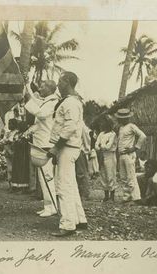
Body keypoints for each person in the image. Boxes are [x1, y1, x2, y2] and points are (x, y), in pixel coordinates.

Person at [48, 71, 87, 237]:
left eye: (60, 81)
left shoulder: (70, 102)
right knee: (71, 185)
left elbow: (70, 127)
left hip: (67, 147)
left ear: (68, 83)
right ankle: (79, 219)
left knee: (63, 186)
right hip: (69, 148)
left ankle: (68, 225)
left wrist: (57, 147)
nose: (58, 85)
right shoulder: (71, 101)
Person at [24, 80, 59, 217]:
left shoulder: (52, 102)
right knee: (43, 178)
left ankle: (53, 206)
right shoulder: (46, 101)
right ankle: (47, 205)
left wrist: (28, 98)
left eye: (43, 86)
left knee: (48, 177)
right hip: (41, 142)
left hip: (46, 143)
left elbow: (40, 113)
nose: (40, 88)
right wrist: (27, 88)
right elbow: (35, 101)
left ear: (50, 89)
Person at [115, 108, 146, 203]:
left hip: (129, 154)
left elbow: (143, 136)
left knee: (131, 176)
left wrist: (135, 148)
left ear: (127, 118)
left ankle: (136, 197)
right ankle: (126, 196)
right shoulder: (121, 128)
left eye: (122, 118)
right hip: (122, 154)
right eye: (119, 118)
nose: (120, 120)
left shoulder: (132, 126)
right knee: (123, 177)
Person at [95, 117, 117, 202]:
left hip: (110, 155)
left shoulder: (113, 134)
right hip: (102, 155)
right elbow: (96, 145)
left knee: (110, 174)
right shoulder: (101, 134)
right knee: (103, 174)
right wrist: (101, 146)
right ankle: (106, 195)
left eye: (104, 123)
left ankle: (112, 196)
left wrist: (101, 145)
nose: (102, 125)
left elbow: (109, 146)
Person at [75, 123, 93, 200]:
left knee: (81, 173)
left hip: (79, 150)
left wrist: (87, 150)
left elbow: (87, 136)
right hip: (69, 151)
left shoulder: (81, 124)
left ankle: (85, 193)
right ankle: (77, 192)